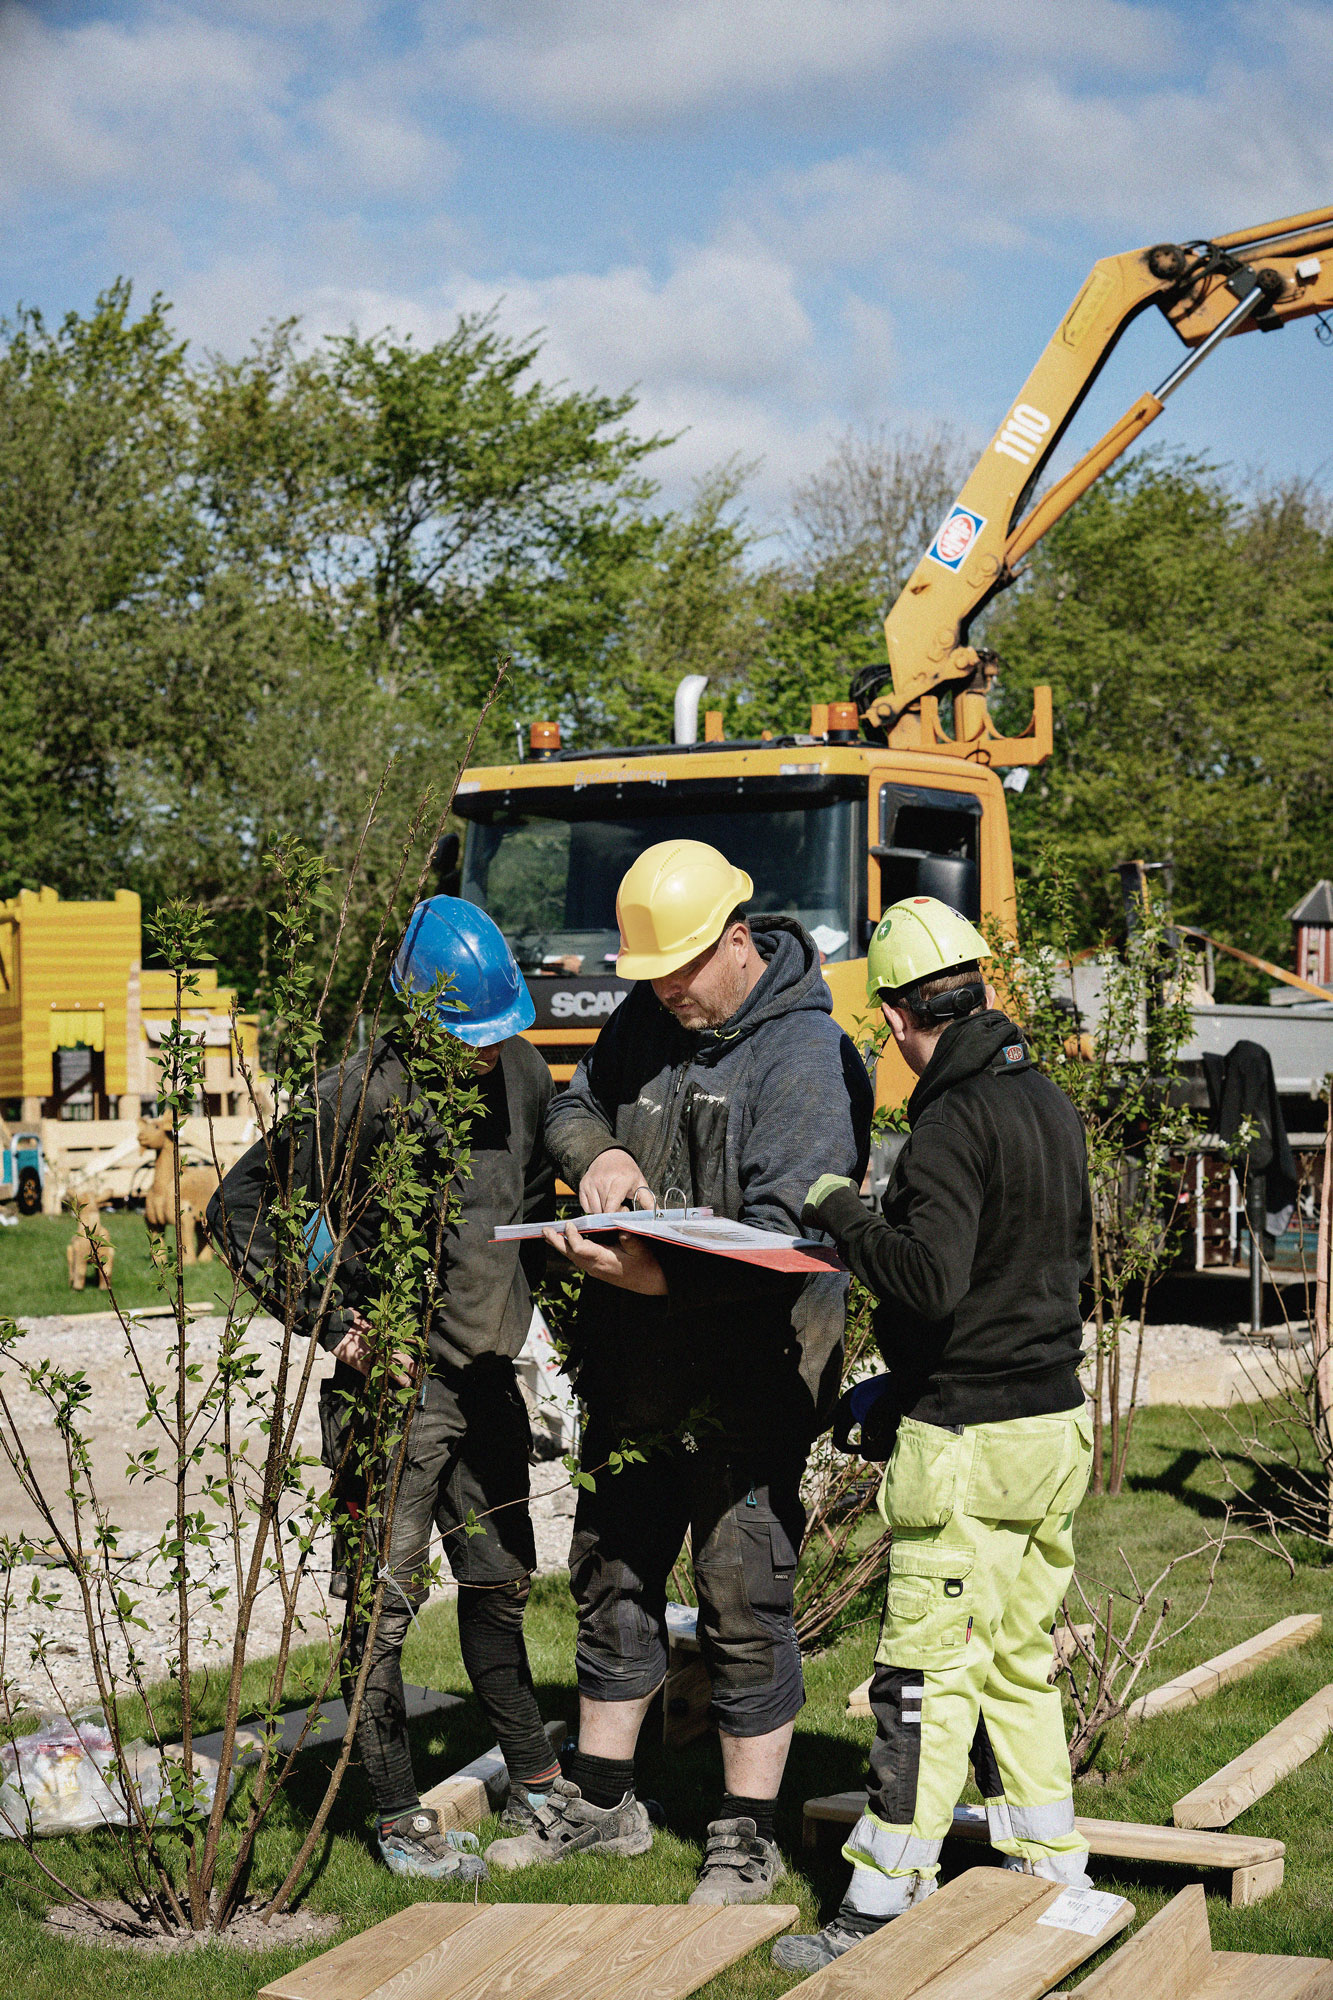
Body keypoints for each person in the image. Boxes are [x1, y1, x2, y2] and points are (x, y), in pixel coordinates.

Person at [484, 839, 874, 1903]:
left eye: (679, 975)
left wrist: (655, 1280)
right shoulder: (649, 1015)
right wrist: (594, 1154)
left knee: (742, 1589)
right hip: (637, 1369)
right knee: (612, 1566)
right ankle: (604, 1798)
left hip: (752, 1369)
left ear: (736, 940)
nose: (665, 995)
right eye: (650, 979)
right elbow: (575, 1103)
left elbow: (786, 1238)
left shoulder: (806, 1060)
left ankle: (743, 1830)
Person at [772, 895, 1095, 1972]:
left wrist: (841, 1208)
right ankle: (1051, 1872)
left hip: (968, 1443)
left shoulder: (952, 1122)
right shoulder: (1047, 1101)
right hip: (1051, 1424)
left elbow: (928, 1276)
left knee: (923, 1675)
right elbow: (1010, 1280)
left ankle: (877, 1901)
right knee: (1012, 1662)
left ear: (909, 1018)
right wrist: (896, 1385)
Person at [209, 897, 559, 1882]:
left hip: (487, 1384)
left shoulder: (523, 1072)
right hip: (393, 1404)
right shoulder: (359, 1094)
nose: (490, 1053)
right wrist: (335, 1320)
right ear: (420, 1020)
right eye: (470, 1037)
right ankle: (401, 1816)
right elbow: (237, 1203)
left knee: (498, 1587)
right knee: (383, 1612)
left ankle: (539, 1779)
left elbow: (532, 1195)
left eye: (500, 1033)